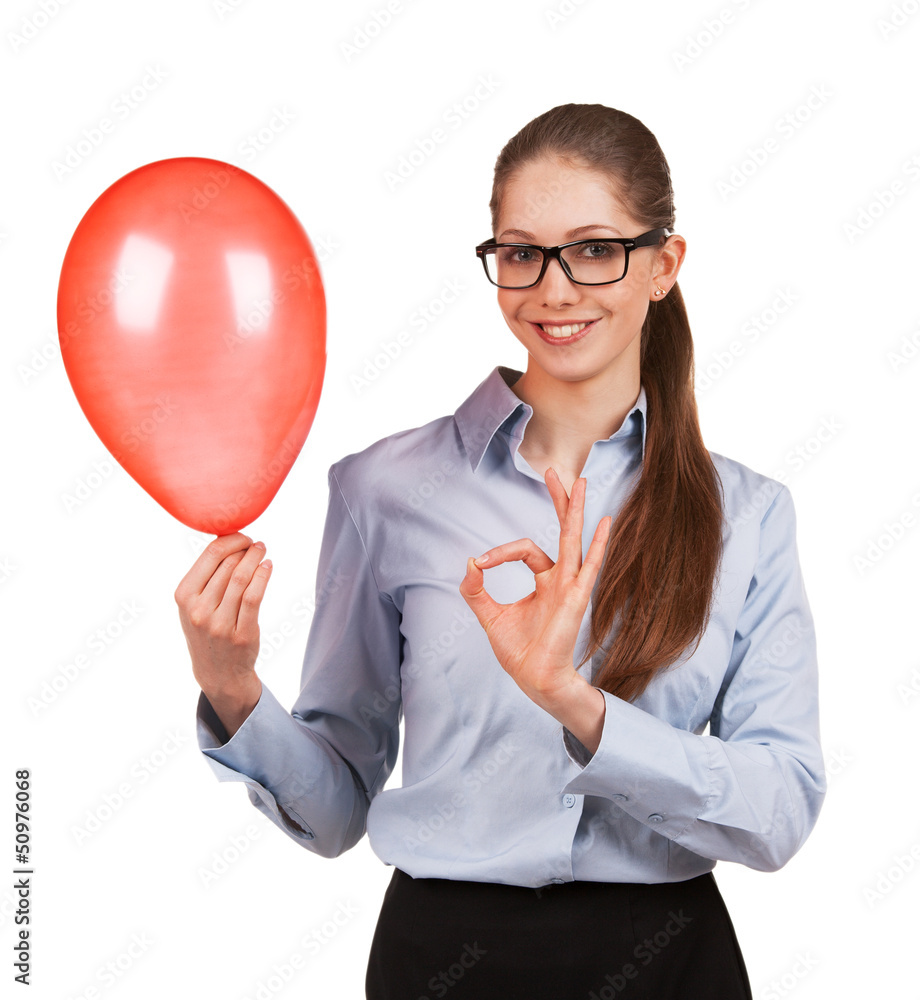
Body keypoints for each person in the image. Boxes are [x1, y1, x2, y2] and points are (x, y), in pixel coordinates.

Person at [175, 103, 826, 999]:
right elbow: (333, 815)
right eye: (521, 253)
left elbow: (780, 810)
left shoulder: (746, 514)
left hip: (669, 962)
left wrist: (578, 706)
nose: (555, 290)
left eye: (595, 249)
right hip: (443, 958)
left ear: (663, 265)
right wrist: (234, 691)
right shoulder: (383, 490)